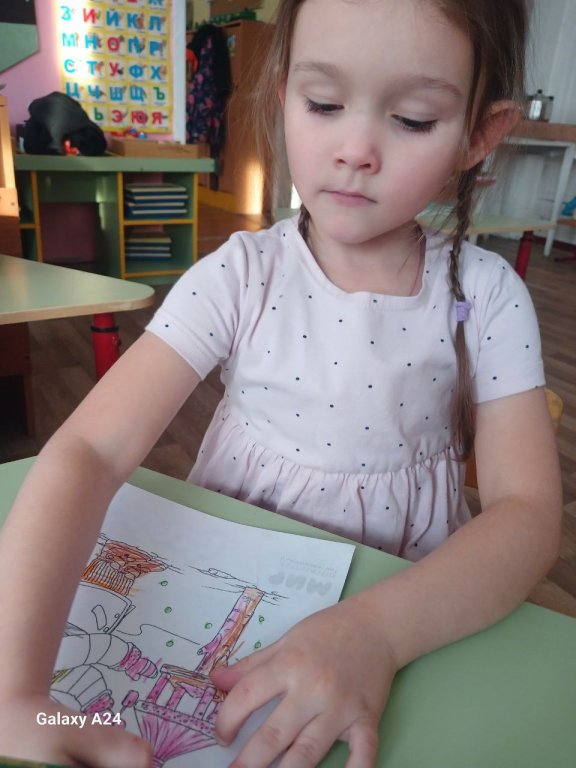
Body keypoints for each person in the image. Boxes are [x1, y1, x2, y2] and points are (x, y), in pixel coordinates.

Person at [0, 1, 563, 766]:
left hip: (413, 617)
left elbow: (528, 513)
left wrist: (377, 632)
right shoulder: (240, 276)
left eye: (413, 119)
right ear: (282, 93)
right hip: (225, 600)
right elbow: (89, 450)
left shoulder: (488, 295)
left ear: (479, 133)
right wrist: (15, 691)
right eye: (324, 104)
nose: (355, 150)